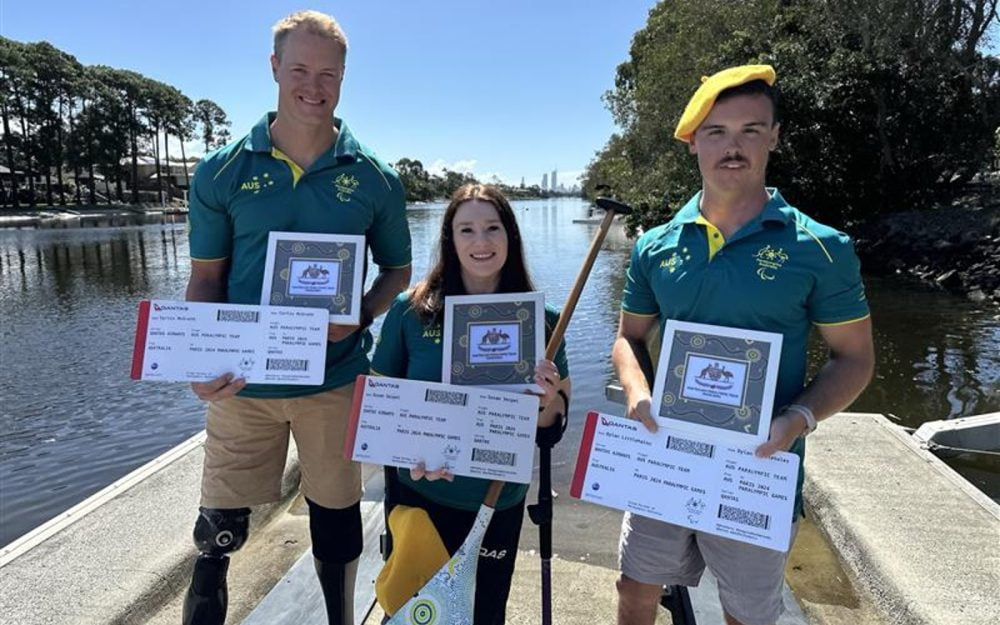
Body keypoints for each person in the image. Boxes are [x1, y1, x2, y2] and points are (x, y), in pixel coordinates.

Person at [612, 65, 875, 625]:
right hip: (668, 455)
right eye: (716, 132)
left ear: (775, 137)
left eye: (750, 131)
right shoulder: (655, 246)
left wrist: (800, 417)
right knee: (635, 589)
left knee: (747, 612)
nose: (732, 147)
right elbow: (629, 339)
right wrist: (638, 393)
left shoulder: (821, 248)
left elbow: (855, 358)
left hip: (760, 465)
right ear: (692, 143)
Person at [181, 11, 411, 625]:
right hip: (242, 384)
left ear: (344, 79)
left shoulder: (376, 178)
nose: (315, 85)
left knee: (336, 523)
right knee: (217, 535)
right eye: (301, 69)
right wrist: (201, 357)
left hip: (333, 381)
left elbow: (397, 273)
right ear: (275, 67)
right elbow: (206, 278)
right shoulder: (221, 171)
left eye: (329, 73)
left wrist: (361, 313)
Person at [370, 184, 571, 624]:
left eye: (492, 228)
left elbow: (552, 428)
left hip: (497, 498)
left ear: (510, 236)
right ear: (450, 239)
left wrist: (549, 398)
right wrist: (410, 453)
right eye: (467, 230)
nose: (481, 242)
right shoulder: (410, 311)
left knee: (484, 611)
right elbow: (379, 410)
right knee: (413, 610)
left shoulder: (545, 320)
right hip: (422, 493)